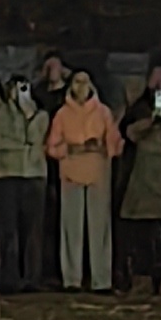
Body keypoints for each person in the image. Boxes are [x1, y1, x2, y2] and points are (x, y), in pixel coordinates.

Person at [45, 67, 123, 294]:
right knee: (71, 228)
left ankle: (101, 280)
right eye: (77, 82)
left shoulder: (103, 113)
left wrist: (101, 147)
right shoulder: (62, 114)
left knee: (100, 228)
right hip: (71, 174)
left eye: (84, 81)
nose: (81, 87)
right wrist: (70, 149)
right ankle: (72, 279)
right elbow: (51, 146)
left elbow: (116, 143)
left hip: (98, 173)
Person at [119, 67, 161, 295]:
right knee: (142, 235)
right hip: (143, 181)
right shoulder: (138, 110)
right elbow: (129, 133)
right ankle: (142, 278)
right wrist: (151, 121)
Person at [0, 77, 49, 294]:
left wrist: (29, 114)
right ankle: (9, 278)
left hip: (34, 176)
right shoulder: (0, 115)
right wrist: (22, 145)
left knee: (33, 230)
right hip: (7, 175)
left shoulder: (41, 115)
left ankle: (32, 277)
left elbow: (36, 138)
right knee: (8, 229)